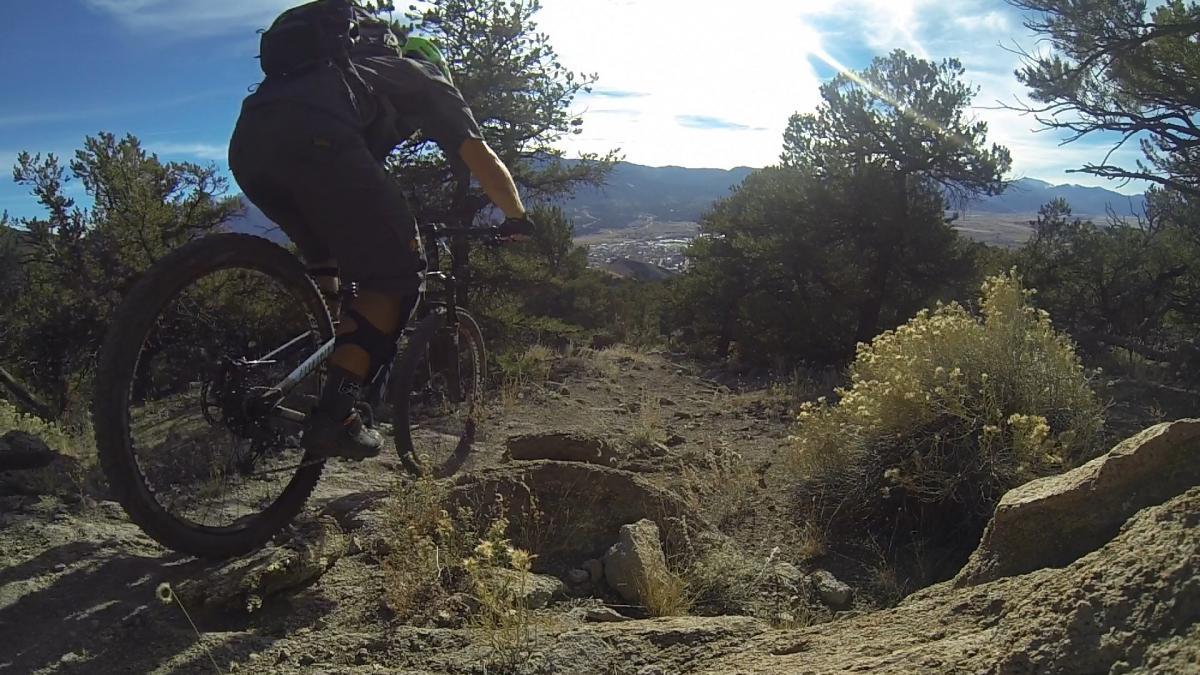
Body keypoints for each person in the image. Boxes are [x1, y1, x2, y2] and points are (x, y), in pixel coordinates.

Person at [228, 3, 531, 460]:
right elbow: (480, 155)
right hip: (320, 140)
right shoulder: (425, 78)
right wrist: (517, 217)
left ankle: (320, 356)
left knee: (326, 256)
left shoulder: (345, 72)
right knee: (396, 275)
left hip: (250, 145)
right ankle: (338, 412)